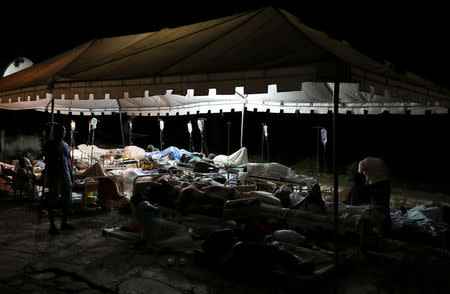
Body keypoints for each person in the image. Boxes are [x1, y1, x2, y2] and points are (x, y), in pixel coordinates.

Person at [43, 123, 75, 234]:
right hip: (55, 176)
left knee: (67, 201)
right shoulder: (50, 145)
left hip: (65, 175)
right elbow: (47, 161)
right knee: (53, 201)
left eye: (64, 131)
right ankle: (52, 226)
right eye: (61, 131)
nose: (63, 133)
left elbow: (68, 162)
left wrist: (71, 176)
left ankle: (64, 223)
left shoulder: (66, 145)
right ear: (56, 132)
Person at [358, 156, 391, 234]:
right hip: (386, 184)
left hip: (375, 185)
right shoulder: (379, 160)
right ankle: (388, 229)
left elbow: (360, 177)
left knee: (376, 208)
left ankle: (378, 230)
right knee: (386, 206)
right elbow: (386, 173)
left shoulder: (362, 163)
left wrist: (365, 185)